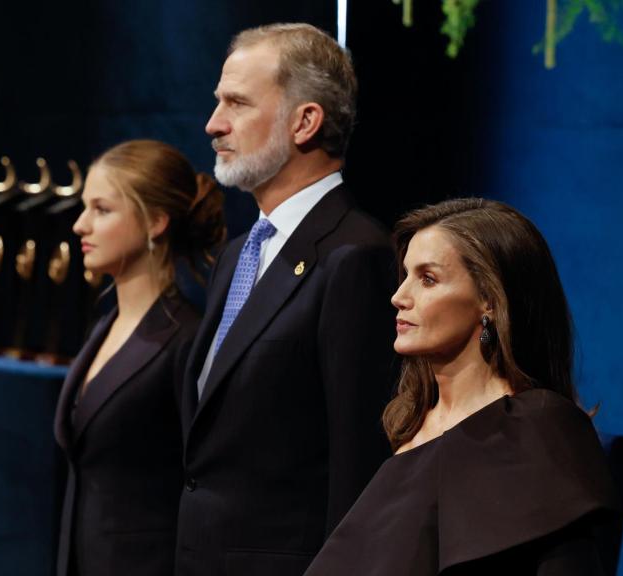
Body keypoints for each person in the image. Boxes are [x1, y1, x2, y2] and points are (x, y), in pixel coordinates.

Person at [175, 23, 396, 576]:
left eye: (237, 103)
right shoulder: (236, 255)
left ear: (305, 122)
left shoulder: (355, 256)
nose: (213, 124)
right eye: (216, 102)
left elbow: (359, 466)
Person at [303, 198, 619, 576]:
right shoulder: (406, 428)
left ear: (488, 299)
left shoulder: (535, 432)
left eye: (428, 279)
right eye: (404, 275)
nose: (399, 297)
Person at [54, 139, 225, 576]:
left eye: (101, 209)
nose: (80, 225)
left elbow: (202, 483)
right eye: (83, 207)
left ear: (156, 222)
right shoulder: (104, 324)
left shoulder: (185, 340)